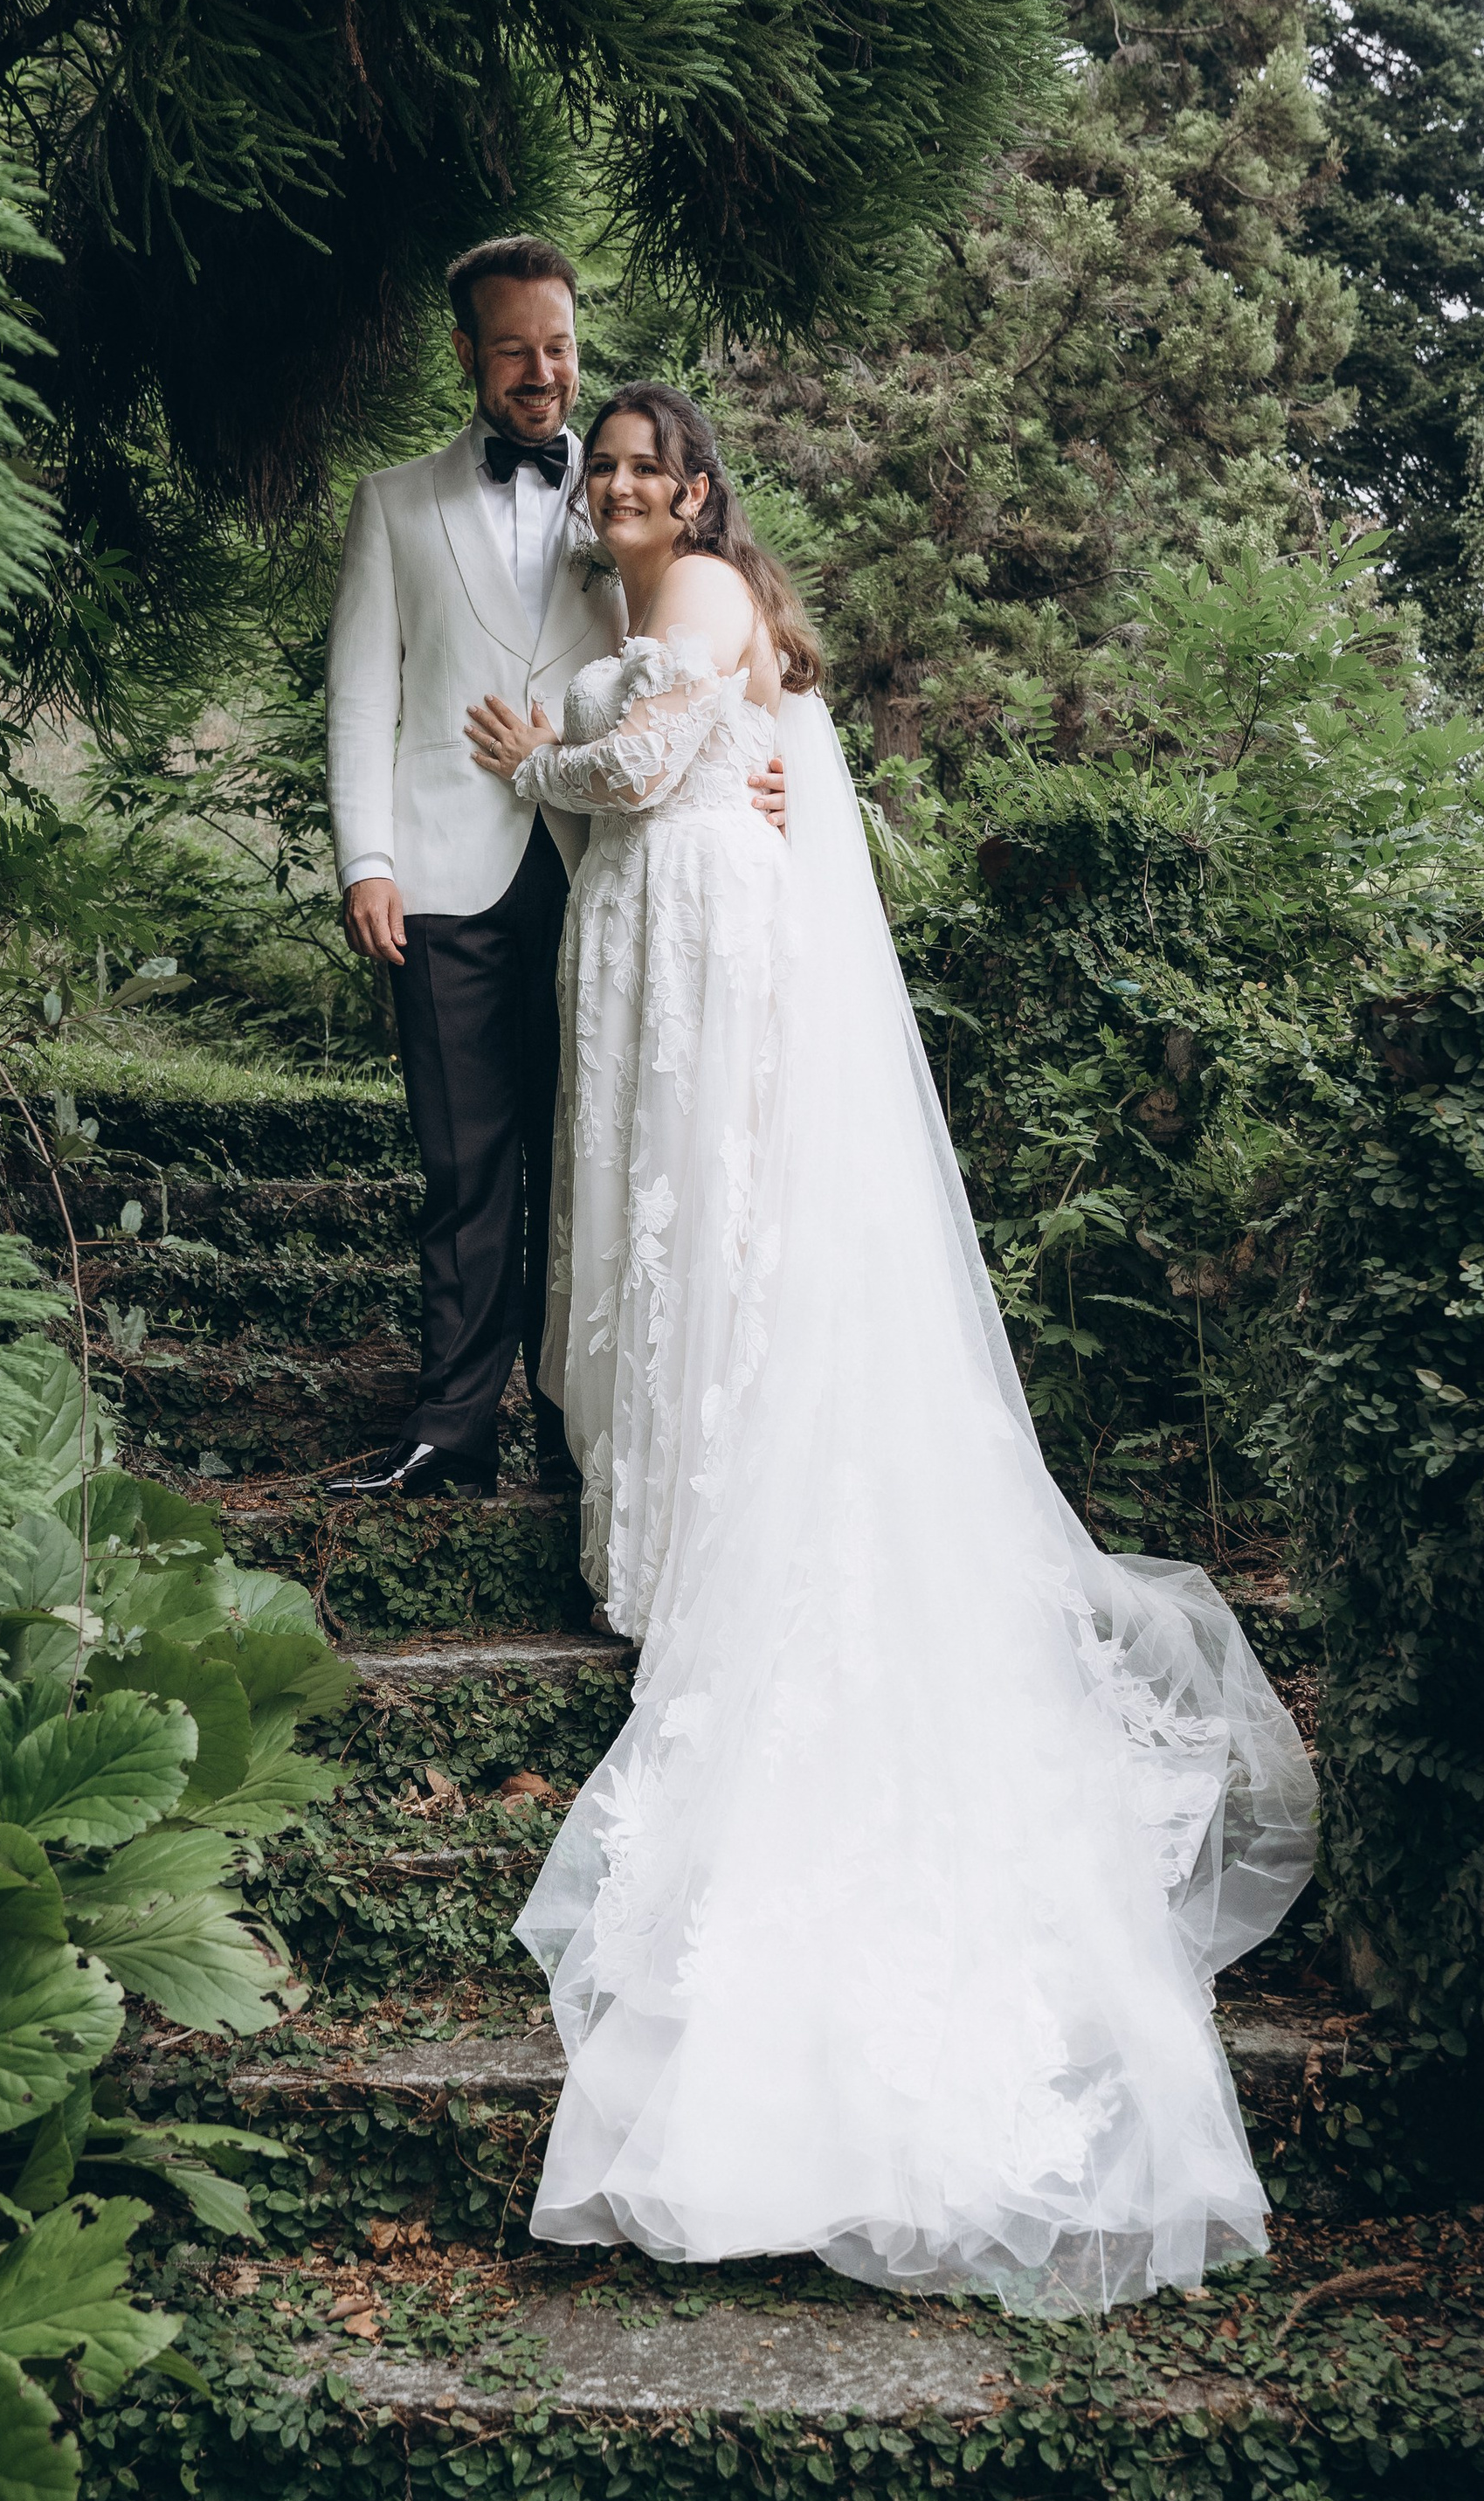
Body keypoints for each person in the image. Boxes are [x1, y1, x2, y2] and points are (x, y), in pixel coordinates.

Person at [464, 386, 1317, 2318]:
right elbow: (749, 740)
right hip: (670, 934)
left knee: (704, 1237)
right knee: (693, 1242)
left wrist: (537, 758)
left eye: (637, 466)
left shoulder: (685, 604)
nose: (610, 487)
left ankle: (698, 1553)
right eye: (596, 467)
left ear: (690, 490)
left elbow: (662, 765)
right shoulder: (693, 596)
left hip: (687, 932)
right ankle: (680, 1523)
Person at [322, 238, 783, 1499]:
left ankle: (587, 1435)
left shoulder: (634, 486)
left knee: (607, 1157)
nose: (544, 372)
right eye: (515, 347)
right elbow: (364, 694)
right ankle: (453, 1427)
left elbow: (732, 646)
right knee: (466, 1159)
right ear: (468, 354)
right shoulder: (395, 504)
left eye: (561, 344)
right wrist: (366, 855)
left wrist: (776, 765)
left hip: (610, 873)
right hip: (442, 865)